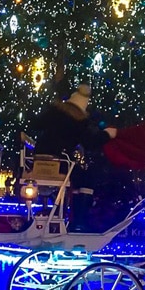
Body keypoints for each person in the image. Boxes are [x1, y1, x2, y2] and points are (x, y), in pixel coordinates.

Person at [26, 84, 116, 231]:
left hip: (39, 159)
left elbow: (36, 124)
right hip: (60, 161)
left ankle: (63, 213)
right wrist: (107, 134)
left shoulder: (54, 112)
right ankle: (79, 220)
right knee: (86, 180)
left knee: (76, 176)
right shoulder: (79, 121)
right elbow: (90, 142)